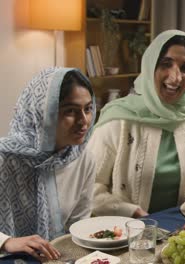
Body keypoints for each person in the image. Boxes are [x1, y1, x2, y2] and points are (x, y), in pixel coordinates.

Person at [88, 29, 185, 218]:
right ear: (150, 65)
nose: (175, 77)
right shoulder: (119, 119)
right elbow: (88, 186)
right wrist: (128, 211)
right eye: (165, 64)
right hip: (128, 234)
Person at [0, 67, 96, 261]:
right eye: (70, 111)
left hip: (58, 257)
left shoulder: (83, 157)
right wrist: (7, 241)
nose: (83, 121)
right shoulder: (4, 158)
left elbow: (79, 225)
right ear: (42, 113)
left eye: (87, 109)